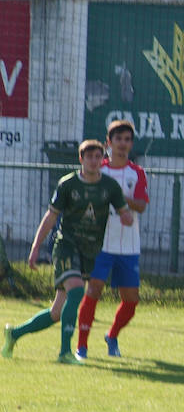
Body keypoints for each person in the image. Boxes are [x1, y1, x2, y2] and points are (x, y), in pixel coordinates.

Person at [3, 140, 131, 363]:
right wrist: (35, 248)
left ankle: (14, 334)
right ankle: (64, 353)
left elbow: (124, 213)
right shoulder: (68, 184)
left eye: (97, 157)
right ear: (81, 159)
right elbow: (51, 217)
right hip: (66, 246)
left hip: (90, 251)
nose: (93, 161)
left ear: (103, 160)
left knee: (56, 312)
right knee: (76, 292)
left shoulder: (110, 186)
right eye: (88, 157)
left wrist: (127, 216)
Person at [75, 120, 149, 359]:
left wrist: (119, 198)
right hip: (101, 244)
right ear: (108, 143)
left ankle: (112, 335)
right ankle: (82, 346)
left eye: (127, 140)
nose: (123, 144)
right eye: (118, 139)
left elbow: (141, 205)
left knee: (131, 300)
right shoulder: (99, 171)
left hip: (128, 244)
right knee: (94, 289)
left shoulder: (136, 173)